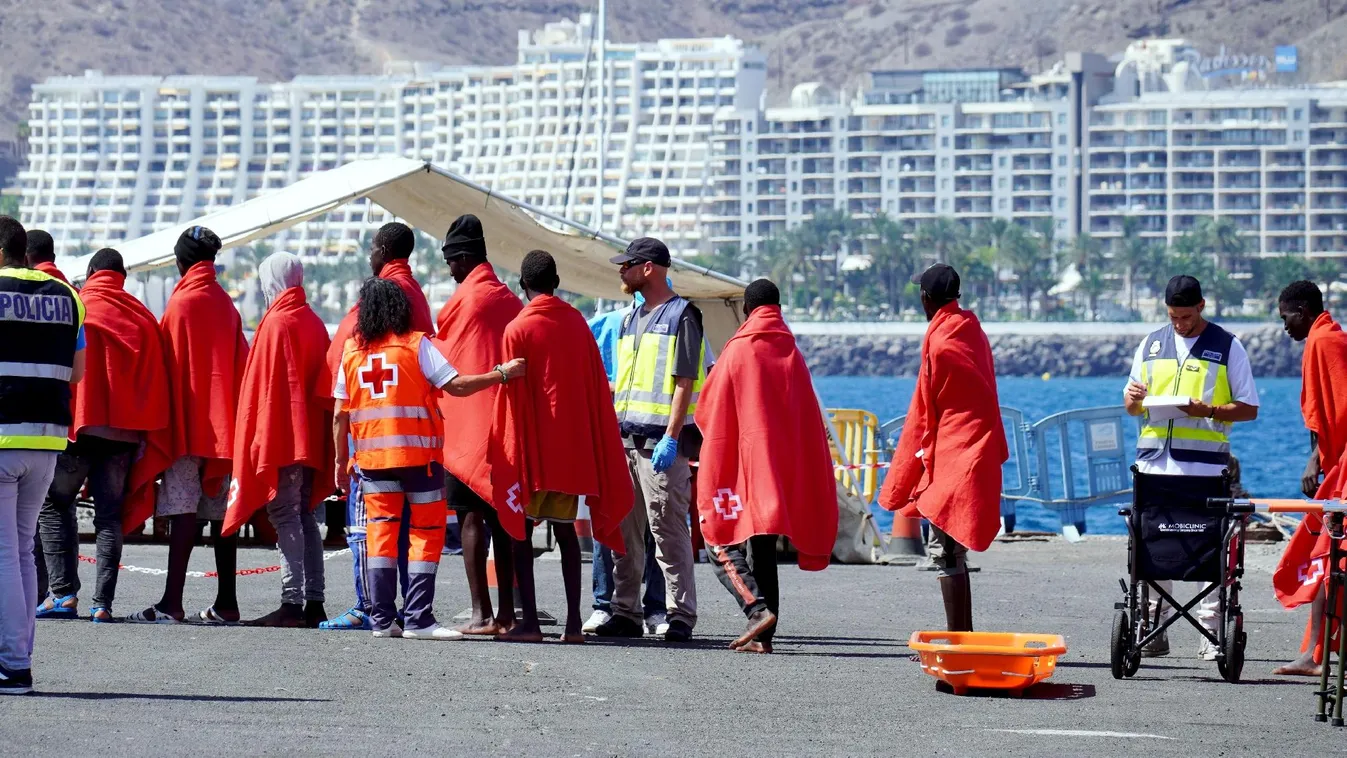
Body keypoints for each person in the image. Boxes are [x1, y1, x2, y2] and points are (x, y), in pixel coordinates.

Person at [333, 278, 525, 639]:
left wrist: (340, 462)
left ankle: (382, 620)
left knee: (381, 538)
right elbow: (457, 385)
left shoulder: (351, 352)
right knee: (425, 534)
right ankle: (419, 619)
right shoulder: (416, 345)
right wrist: (501, 373)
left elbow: (339, 414)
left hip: (372, 464)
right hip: (418, 460)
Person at [489, 250, 633, 643]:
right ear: (556, 283)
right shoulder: (578, 324)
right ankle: (573, 626)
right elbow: (594, 389)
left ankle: (530, 625)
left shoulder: (516, 328)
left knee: (520, 533)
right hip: (571, 451)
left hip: (534, 450)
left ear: (524, 285)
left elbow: (512, 400)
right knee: (567, 533)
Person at [694, 279, 837, 653]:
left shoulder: (738, 350)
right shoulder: (791, 350)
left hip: (746, 468)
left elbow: (709, 409)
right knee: (764, 547)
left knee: (717, 536)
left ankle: (755, 609)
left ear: (746, 309)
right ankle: (765, 637)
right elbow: (807, 417)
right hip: (782, 470)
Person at [1122, 274, 1259, 659]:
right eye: (1173, 316)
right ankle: (1153, 624)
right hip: (1152, 467)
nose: (1179, 324)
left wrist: (1209, 410)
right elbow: (1132, 404)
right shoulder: (1151, 344)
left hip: (1204, 470)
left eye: (1186, 316)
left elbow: (1249, 408)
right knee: (1154, 546)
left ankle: (1211, 630)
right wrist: (1132, 399)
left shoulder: (1228, 346)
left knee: (1208, 549)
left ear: (1201, 307)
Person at [33, 249, 168, 623]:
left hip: (80, 428)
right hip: (123, 434)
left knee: (56, 504)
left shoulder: (78, 304)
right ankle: (102, 604)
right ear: (122, 276)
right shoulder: (143, 317)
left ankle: (62, 595)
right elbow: (156, 376)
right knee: (109, 516)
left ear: (91, 272)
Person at [124, 226, 249, 625]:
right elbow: (241, 364)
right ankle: (226, 603)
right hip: (223, 431)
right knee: (219, 516)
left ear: (181, 264)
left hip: (186, 428)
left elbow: (164, 368)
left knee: (182, 512)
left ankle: (171, 603)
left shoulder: (180, 305)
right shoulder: (227, 305)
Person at [596, 237, 712, 642]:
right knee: (624, 535)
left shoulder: (683, 316)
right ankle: (625, 612)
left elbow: (684, 384)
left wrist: (672, 437)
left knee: (668, 531)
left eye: (627, 264)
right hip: (626, 441)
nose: (620, 271)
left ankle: (681, 615)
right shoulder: (630, 319)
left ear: (649, 268)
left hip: (659, 447)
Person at [879, 264, 1006, 633]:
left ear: (926, 299)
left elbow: (924, 407)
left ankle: (959, 639)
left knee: (947, 549)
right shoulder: (972, 330)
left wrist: (907, 467)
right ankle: (960, 636)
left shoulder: (938, 338)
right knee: (954, 547)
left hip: (955, 451)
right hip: (978, 446)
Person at [322, 223, 434, 631]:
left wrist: (340, 455)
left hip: (374, 441)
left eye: (372, 246)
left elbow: (345, 357)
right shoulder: (415, 292)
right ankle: (408, 612)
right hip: (414, 441)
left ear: (383, 249)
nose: (370, 253)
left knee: (369, 529)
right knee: (411, 531)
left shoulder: (385, 291)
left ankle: (370, 607)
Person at [223, 253, 333, 628]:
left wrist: (259, 440)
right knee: (302, 516)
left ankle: (292, 602)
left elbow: (265, 393)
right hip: (309, 435)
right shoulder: (314, 323)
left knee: (285, 514)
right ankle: (314, 601)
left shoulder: (277, 323)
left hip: (284, 436)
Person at [0, 215, 85, 695]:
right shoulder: (68, 296)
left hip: (2, 435)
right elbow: (76, 375)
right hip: (48, 440)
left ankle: (13, 665)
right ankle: (18, 658)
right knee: (21, 548)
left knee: (5, 553)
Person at [433, 214, 522, 636]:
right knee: (504, 520)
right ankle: (507, 614)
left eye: (451, 262)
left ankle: (480, 614)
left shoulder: (468, 300)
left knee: (470, 519)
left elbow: (443, 358)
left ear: (464, 258)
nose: (449, 271)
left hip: (469, 429)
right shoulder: (506, 297)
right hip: (504, 427)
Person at [1273, 281, 1347, 675]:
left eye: (1285, 316)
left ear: (1301, 309)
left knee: (1327, 555)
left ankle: (1317, 654)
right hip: (1337, 468)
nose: (1283, 326)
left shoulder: (1324, 341)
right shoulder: (1322, 336)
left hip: (1343, 470)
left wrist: (1314, 460)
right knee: (1326, 555)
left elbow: (1339, 410)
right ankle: (1316, 653)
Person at [583, 302, 666, 635]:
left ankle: (654, 609)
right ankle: (606, 605)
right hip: (614, 438)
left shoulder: (673, 323)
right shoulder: (607, 324)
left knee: (654, 529)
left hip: (651, 439)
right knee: (610, 521)